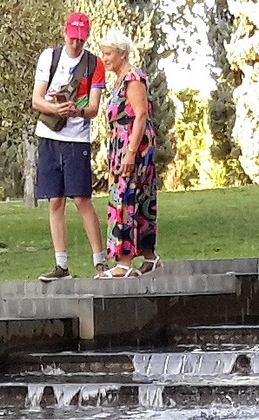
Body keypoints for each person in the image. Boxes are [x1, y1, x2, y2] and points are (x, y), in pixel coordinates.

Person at [32, 11, 107, 281]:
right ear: (65, 33)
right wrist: (56, 107)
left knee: (81, 198)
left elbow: (95, 108)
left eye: (80, 39)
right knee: (55, 200)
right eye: (72, 38)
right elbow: (36, 100)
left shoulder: (94, 64)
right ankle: (61, 265)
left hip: (77, 139)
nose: (75, 44)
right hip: (50, 135)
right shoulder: (49, 57)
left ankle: (100, 261)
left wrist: (78, 111)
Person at [98, 32, 158, 277]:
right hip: (122, 144)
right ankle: (150, 258)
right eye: (103, 53)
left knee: (126, 198)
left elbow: (140, 114)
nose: (104, 58)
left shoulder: (133, 78)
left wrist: (131, 153)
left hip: (133, 144)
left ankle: (124, 262)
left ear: (123, 53)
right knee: (138, 198)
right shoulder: (120, 79)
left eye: (108, 53)